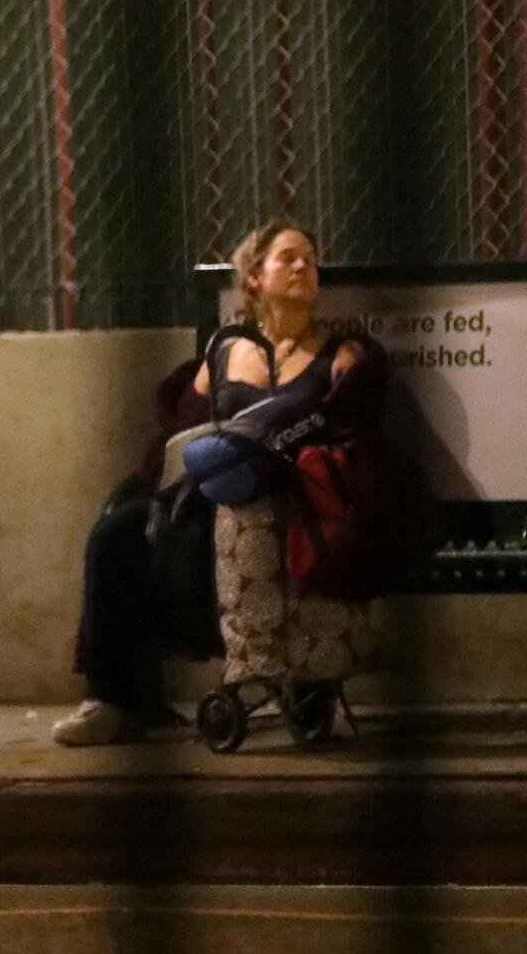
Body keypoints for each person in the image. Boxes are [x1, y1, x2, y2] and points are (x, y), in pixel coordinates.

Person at [52, 219, 379, 746]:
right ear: (253, 277)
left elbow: (351, 428)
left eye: (310, 260)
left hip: (286, 499)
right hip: (207, 490)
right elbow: (181, 431)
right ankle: (112, 699)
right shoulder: (226, 352)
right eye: (288, 258)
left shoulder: (339, 353)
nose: (303, 267)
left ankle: (292, 680)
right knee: (117, 532)